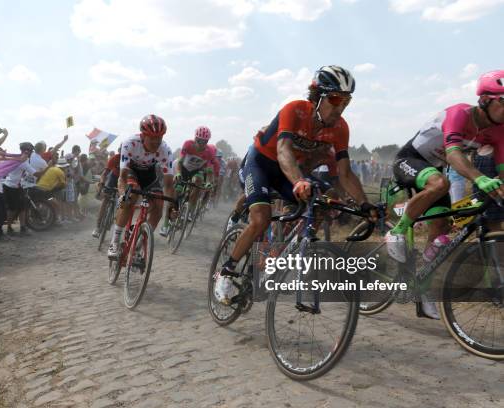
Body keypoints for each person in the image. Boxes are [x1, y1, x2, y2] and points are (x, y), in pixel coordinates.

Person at [214, 65, 378, 305]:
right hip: (261, 163)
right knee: (261, 217)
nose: (340, 107)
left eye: (346, 101)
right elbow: (283, 150)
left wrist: (364, 204)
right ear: (317, 96)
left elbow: (344, 172)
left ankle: (278, 253)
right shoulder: (295, 109)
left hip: (286, 172)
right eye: (334, 99)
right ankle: (226, 272)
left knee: (321, 203)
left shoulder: (340, 128)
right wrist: (300, 180)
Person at [386, 70, 504, 319]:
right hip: (410, 159)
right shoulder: (459, 113)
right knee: (441, 183)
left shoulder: (498, 131)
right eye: (503, 101)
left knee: (440, 226)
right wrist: (479, 178)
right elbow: (453, 154)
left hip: (435, 169)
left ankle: (423, 288)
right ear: (484, 100)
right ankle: (397, 231)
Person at [107, 114, 175, 258]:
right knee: (131, 196)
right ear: (143, 136)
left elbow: (169, 185)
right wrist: (122, 195)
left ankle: (138, 245)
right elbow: (122, 177)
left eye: (159, 138)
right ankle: (114, 242)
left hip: (150, 176)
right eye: (152, 138)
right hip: (132, 172)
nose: (156, 142)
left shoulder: (165, 150)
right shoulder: (130, 143)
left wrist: (173, 207)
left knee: (159, 207)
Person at [159, 126, 216, 237]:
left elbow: (209, 170)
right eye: (199, 140)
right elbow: (180, 162)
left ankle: (190, 209)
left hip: (196, 172)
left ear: (207, 141)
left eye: (204, 142)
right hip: (183, 170)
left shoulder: (209, 152)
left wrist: (209, 182)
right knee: (174, 195)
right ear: (195, 139)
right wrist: (179, 173)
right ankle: (165, 224)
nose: (201, 144)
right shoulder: (188, 144)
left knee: (198, 182)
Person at [2, 143, 46, 236]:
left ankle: (22, 227)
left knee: (22, 207)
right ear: (27, 151)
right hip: (12, 186)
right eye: (30, 151)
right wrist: (48, 167)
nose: (31, 153)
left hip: (15, 185)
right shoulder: (23, 162)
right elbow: (37, 174)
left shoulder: (18, 158)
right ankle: (9, 228)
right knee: (13, 209)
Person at [92, 147, 121, 238]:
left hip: (125, 179)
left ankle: (115, 219)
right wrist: (102, 183)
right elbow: (104, 174)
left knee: (122, 202)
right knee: (106, 199)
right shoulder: (114, 158)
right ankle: (98, 226)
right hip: (114, 177)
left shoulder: (132, 160)